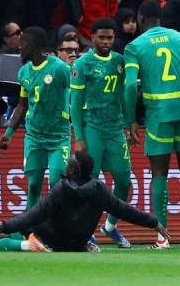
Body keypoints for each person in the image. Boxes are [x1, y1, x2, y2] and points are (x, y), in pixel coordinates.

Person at [0, 150, 167, 252]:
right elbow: (126, 211)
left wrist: (5, 226)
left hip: (51, 239)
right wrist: (154, 222)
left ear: (72, 171)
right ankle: (29, 241)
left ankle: (29, 245)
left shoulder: (61, 188)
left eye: (69, 160)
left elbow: (34, 215)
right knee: (18, 230)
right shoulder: (99, 190)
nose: (67, 160)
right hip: (78, 244)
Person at [124, 0, 180, 249]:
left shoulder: (135, 46)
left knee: (160, 173)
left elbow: (130, 85)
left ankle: (163, 237)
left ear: (140, 18)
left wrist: (131, 120)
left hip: (158, 115)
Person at [70, 18, 133, 249]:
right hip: (92, 127)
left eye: (110, 37)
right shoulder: (82, 64)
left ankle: (110, 226)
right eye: (102, 37)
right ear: (93, 36)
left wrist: (129, 123)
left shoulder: (120, 62)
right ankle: (86, 232)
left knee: (124, 181)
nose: (106, 42)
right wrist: (78, 136)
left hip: (115, 129)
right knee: (91, 184)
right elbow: (75, 104)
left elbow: (125, 96)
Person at [0, 26, 71, 210]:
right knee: (33, 185)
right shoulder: (24, 72)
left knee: (57, 182)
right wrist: (8, 132)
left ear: (34, 45)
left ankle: (57, 228)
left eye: (23, 43)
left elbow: (76, 94)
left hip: (58, 137)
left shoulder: (59, 68)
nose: (19, 47)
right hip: (34, 137)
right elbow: (23, 104)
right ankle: (30, 232)